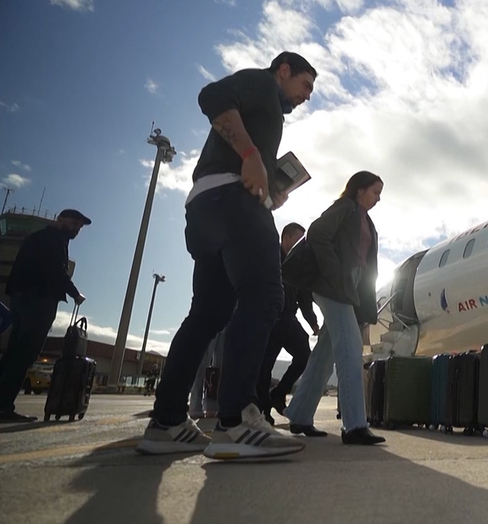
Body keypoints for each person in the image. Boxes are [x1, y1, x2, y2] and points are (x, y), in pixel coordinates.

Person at [136, 51, 317, 459]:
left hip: (207, 206)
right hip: (232, 201)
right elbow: (212, 95)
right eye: (305, 84)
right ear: (283, 71)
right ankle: (234, 421)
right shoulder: (261, 84)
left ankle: (165, 422)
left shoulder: (268, 108)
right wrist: (252, 157)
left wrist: (272, 188)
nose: (307, 95)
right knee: (265, 296)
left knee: (210, 313)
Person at [283, 171, 385, 445]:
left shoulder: (366, 220)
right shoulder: (345, 207)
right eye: (375, 192)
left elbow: (366, 269)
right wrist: (335, 273)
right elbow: (317, 233)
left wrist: (363, 305)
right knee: (351, 349)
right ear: (359, 189)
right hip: (332, 286)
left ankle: (300, 416)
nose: (378, 199)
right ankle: (354, 426)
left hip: (346, 289)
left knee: (324, 354)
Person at [0, 209, 89, 423]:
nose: (76, 228)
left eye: (79, 226)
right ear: (60, 219)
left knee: (13, 352)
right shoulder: (53, 240)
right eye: (73, 223)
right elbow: (56, 271)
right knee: (25, 354)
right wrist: (75, 293)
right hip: (38, 300)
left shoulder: (37, 238)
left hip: (22, 299)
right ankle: (2, 406)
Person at [255, 222, 319, 427]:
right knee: (265, 366)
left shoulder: (297, 265)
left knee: (305, 357)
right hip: (269, 319)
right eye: (298, 241)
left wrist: (314, 324)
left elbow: (305, 298)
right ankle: (262, 409)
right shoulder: (268, 257)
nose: (300, 245)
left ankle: (279, 393)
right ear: (286, 238)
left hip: (289, 320)